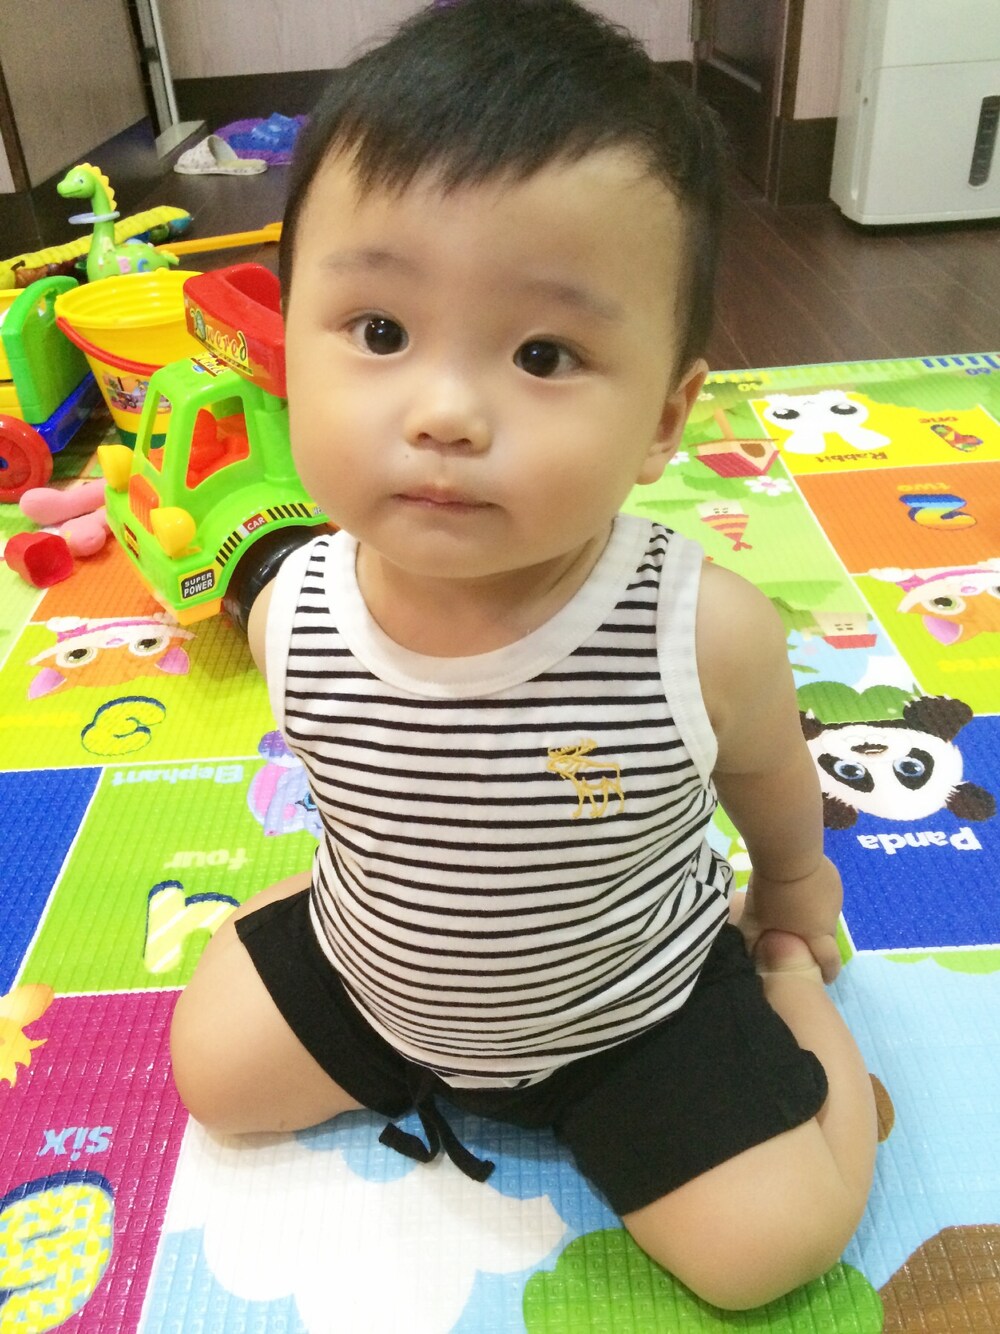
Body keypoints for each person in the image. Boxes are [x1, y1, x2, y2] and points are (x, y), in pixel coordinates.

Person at [170, 0, 877, 1310]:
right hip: (382, 984)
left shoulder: (698, 628)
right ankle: (326, 931)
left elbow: (775, 777)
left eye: (542, 354)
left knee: (769, 1246)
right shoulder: (289, 608)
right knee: (210, 1073)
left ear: (665, 414)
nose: (444, 411)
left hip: (632, 1014)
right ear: (285, 349)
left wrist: (793, 893)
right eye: (379, 332)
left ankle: (779, 992)